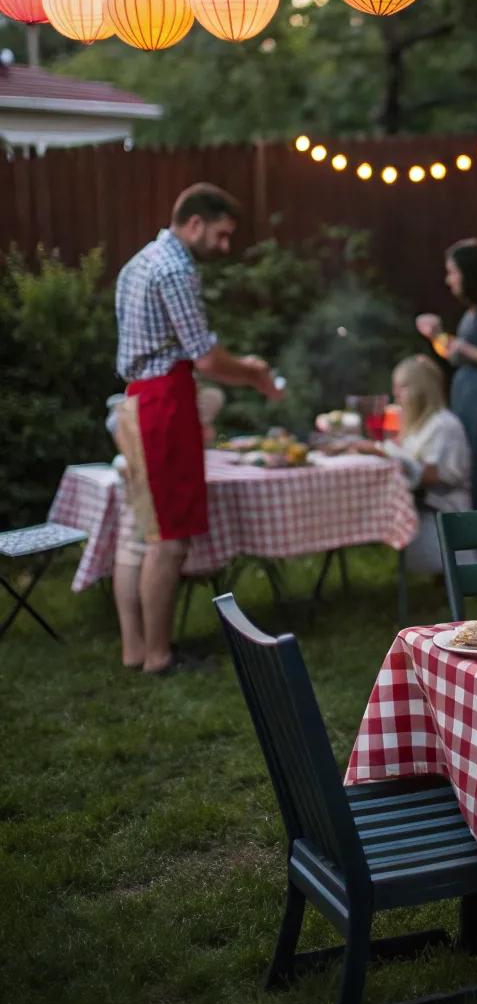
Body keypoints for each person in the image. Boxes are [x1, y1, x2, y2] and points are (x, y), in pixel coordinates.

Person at [112, 183, 281, 674]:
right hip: (164, 403)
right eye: (222, 235)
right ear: (195, 224)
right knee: (170, 538)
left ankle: (137, 650)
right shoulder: (177, 269)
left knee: (145, 531)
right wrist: (255, 373)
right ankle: (160, 656)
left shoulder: (140, 261)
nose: (225, 247)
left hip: (138, 399)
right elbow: (205, 356)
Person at [351, 355, 472, 572]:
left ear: (422, 389)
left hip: (442, 510)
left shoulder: (443, 425)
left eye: (403, 387)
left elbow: (431, 475)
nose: (396, 394)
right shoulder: (422, 425)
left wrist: (382, 451)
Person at [416, 238, 477, 509]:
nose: (449, 280)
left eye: (453, 272)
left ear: (470, 273)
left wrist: (463, 347)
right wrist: (436, 336)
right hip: (465, 397)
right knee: (465, 463)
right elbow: (457, 352)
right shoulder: (471, 314)